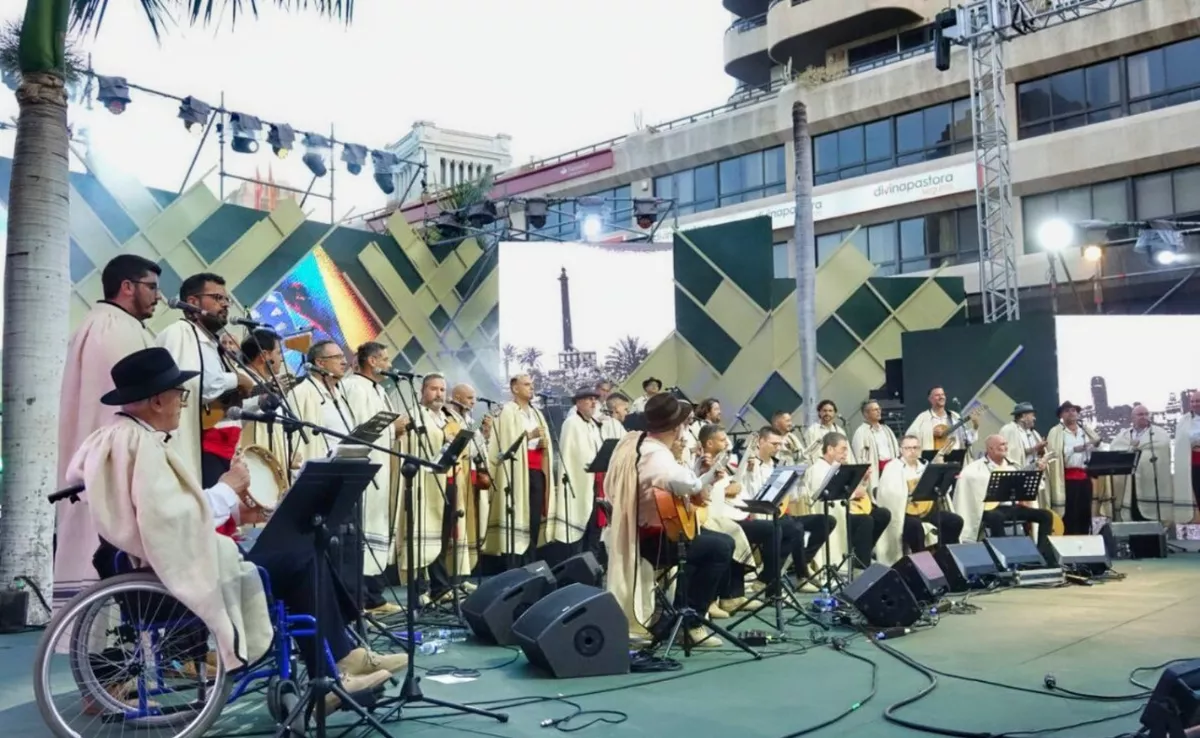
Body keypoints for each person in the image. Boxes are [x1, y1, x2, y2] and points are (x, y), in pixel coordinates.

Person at [67, 348, 404, 712]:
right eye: (180, 395)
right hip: (175, 570)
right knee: (300, 554)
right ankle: (335, 668)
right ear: (157, 400)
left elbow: (170, 512)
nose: (183, 402)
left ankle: (341, 661)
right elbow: (168, 521)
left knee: (300, 549)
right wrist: (227, 487)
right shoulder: (139, 443)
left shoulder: (124, 437)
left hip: (167, 559)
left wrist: (237, 507)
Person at [54, 255, 160, 612]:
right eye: (152, 287)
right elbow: (131, 406)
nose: (158, 296)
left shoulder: (110, 324)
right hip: (112, 467)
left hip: (103, 462)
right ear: (127, 287)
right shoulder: (113, 328)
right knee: (108, 557)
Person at [602, 394, 734, 646]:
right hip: (654, 540)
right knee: (721, 546)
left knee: (707, 542)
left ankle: (679, 614)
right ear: (676, 427)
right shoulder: (655, 454)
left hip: (651, 531)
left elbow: (674, 481)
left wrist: (697, 473)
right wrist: (705, 478)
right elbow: (683, 483)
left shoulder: (639, 443)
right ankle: (690, 624)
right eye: (684, 424)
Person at [157, 273, 256, 488]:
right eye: (218, 298)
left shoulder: (212, 343)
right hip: (199, 446)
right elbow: (197, 386)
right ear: (193, 302)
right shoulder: (180, 333)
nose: (225, 305)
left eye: (226, 299)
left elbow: (218, 404)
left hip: (221, 446)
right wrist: (237, 378)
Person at [342, 342, 409, 617]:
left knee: (378, 529)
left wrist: (396, 432)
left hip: (382, 468)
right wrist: (392, 429)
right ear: (371, 360)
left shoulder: (379, 389)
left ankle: (374, 595)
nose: (389, 365)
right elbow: (359, 429)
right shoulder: (354, 387)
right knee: (363, 532)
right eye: (385, 359)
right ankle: (361, 598)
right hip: (364, 468)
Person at [397, 373, 469, 602]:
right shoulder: (416, 415)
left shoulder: (447, 419)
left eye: (441, 390)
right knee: (421, 534)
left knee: (442, 534)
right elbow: (410, 447)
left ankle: (440, 586)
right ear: (423, 391)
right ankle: (418, 589)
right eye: (433, 389)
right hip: (423, 484)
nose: (438, 394)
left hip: (447, 480)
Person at [483, 374, 561, 571]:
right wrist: (528, 436)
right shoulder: (507, 411)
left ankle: (532, 561)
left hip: (536, 472)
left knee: (534, 518)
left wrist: (543, 445)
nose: (531, 388)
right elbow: (503, 444)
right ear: (515, 389)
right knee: (517, 517)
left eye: (532, 385)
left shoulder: (536, 413)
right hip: (518, 473)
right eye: (526, 385)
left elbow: (542, 441)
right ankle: (515, 566)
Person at [734, 426, 835, 575]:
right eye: (774, 444)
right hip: (761, 517)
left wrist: (793, 480)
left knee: (826, 521)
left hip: (780, 514)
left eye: (780, 444)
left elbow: (792, 498)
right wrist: (750, 472)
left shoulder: (778, 465)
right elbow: (751, 496)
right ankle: (789, 576)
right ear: (761, 442)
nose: (778, 448)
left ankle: (799, 564)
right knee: (794, 528)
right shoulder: (749, 464)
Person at [797, 432, 889, 571]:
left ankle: (860, 554)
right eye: (843, 449)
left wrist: (863, 481)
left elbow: (854, 491)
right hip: (831, 515)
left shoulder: (837, 467)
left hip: (847, 509)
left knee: (882, 514)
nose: (846, 453)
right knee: (865, 521)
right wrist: (853, 494)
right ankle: (862, 567)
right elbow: (824, 496)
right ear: (830, 449)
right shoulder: (817, 469)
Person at [958, 435, 1055, 556]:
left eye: (1006, 444)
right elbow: (968, 484)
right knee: (996, 517)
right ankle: (1004, 555)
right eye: (1001, 445)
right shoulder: (975, 468)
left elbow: (1028, 487)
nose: (1005, 447)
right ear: (990, 448)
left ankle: (1043, 554)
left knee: (1046, 515)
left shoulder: (1013, 466)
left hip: (1011, 507)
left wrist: (1039, 471)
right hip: (989, 508)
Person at [874, 434, 963, 564]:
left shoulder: (925, 466)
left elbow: (941, 489)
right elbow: (887, 493)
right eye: (908, 448)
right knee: (915, 528)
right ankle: (923, 566)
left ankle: (946, 560)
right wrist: (906, 492)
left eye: (915, 447)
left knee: (954, 521)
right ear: (901, 449)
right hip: (904, 514)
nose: (912, 451)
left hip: (927, 511)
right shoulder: (893, 467)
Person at [446, 383, 493, 577]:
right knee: (456, 529)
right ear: (456, 397)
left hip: (470, 477)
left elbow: (478, 451)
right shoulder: (449, 419)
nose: (473, 402)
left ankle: (464, 573)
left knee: (469, 528)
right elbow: (463, 450)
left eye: (474, 398)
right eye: (469, 398)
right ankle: (453, 575)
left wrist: (486, 435)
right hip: (456, 477)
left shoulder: (467, 419)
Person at [1110, 404, 1183, 525]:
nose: (1144, 417)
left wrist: (1137, 449)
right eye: (1140, 414)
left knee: (1151, 517)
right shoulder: (1123, 436)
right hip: (1130, 481)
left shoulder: (1159, 434)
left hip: (1151, 482)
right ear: (1132, 418)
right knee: (1133, 512)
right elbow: (1115, 449)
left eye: (1146, 414)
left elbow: (1163, 449)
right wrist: (1131, 448)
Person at [558, 387, 604, 559]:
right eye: (588, 399)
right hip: (579, 483)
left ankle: (593, 565)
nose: (593, 402)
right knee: (579, 526)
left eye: (595, 399)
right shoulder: (571, 424)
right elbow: (569, 456)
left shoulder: (594, 424)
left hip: (595, 483)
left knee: (594, 527)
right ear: (578, 402)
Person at [1044, 401, 1101, 534]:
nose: (1071, 413)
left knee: (1084, 512)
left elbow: (1097, 445)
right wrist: (1076, 448)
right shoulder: (1057, 432)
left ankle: (1084, 538)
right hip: (1067, 479)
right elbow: (1054, 453)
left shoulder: (1085, 431)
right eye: (1067, 411)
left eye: (1074, 410)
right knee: (1070, 513)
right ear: (1061, 415)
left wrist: (1094, 446)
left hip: (1085, 477)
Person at [999, 403, 1048, 508]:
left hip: (1033, 476)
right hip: (1019, 477)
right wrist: (1034, 448)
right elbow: (1010, 455)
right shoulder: (1009, 430)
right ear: (1023, 416)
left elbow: (1038, 453)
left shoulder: (1033, 433)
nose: (1034, 418)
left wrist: (1041, 451)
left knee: (1035, 507)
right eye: (1032, 415)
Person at [906, 386, 978, 454]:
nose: (941, 397)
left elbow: (967, 440)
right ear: (930, 399)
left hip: (954, 458)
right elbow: (909, 436)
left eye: (943, 394)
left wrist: (975, 426)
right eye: (937, 395)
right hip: (932, 459)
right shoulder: (923, 417)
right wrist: (930, 433)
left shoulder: (954, 416)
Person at [851, 400, 900, 489]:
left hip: (891, 468)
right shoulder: (861, 432)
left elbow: (895, 448)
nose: (878, 411)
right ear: (866, 414)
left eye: (879, 409)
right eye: (874, 410)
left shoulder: (886, 429)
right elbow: (859, 455)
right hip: (876, 470)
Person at [1174, 392, 1200, 525]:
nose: (1196, 404)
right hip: (1193, 465)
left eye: (1198, 401)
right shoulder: (1184, 421)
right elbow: (1180, 443)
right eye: (1193, 401)